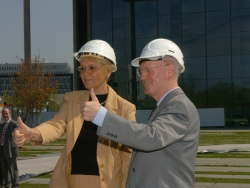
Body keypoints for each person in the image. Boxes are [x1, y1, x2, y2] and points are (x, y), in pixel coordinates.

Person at [13, 40, 136, 188]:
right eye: (82, 68)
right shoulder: (72, 100)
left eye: (92, 68)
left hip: (108, 183)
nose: (85, 73)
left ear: (108, 70)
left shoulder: (125, 109)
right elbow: (56, 125)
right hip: (72, 181)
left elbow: (128, 155)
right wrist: (32, 133)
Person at [80, 38, 200, 188]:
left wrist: (101, 116)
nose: (142, 77)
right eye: (141, 71)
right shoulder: (165, 105)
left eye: (148, 70)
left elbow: (151, 137)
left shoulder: (179, 105)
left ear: (169, 70)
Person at [0, 108, 19, 188]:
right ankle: (7, 184)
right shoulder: (2, 125)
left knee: (12, 169)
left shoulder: (14, 124)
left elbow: (17, 135)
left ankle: (15, 185)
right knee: (4, 169)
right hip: (2, 150)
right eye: (3, 114)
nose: (5, 115)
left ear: (10, 114)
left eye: (6, 113)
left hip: (11, 150)